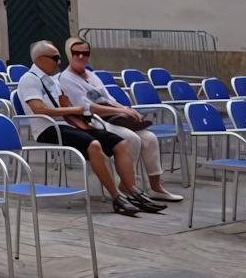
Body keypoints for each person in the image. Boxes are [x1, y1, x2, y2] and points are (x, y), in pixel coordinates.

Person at [16, 40, 162, 216]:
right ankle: (117, 197)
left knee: (122, 144)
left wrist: (77, 114)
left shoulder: (54, 79)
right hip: (48, 128)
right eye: (55, 58)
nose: (59, 61)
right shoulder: (29, 79)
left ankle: (131, 191)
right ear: (40, 60)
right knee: (94, 145)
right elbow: (39, 109)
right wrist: (74, 109)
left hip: (67, 124)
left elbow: (66, 103)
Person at [59, 37, 182, 203]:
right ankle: (129, 184)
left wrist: (126, 110)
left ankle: (156, 187)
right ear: (69, 54)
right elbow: (88, 107)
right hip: (93, 120)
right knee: (131, 138)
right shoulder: (66, 78)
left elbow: (108, 99)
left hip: (113, 117)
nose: (81, 57)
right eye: (76, 53)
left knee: (150, 138)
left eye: (85, 53)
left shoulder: (92, 75)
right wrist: (120, 110)